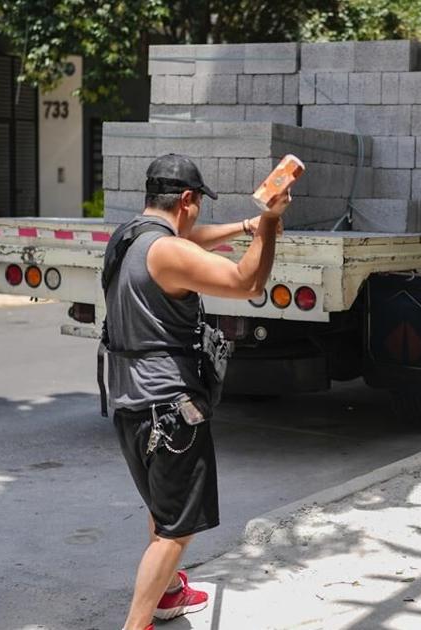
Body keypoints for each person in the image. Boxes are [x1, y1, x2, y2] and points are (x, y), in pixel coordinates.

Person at [105, 154, 291, 630]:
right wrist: (269, 223)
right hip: (169, 409)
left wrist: (242, 225)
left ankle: (168, 595)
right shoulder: (168, 254)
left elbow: (184, 241)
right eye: (197, 206)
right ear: (187, 200)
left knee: (161, 509)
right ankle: (136, 625)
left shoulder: (128, 238)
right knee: (177, 531)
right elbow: (248, 282)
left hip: (130, 403)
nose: (198, 217)